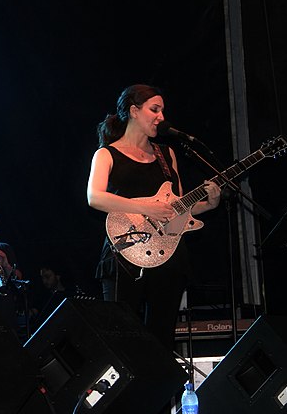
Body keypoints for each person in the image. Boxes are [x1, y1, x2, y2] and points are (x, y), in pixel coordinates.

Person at [86, 84, 221, 350]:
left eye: (162, 111)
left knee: (162, 336)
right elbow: (95, 197)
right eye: (154, 109)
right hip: (125, 249)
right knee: (120, 335)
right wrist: (146, 209)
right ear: (134, 111)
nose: (161, 117)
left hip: (168, 252)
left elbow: (178, 207)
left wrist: (209, 204)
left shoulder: (166, 154)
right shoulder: (106, 154)